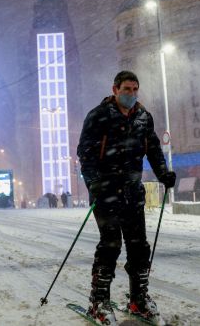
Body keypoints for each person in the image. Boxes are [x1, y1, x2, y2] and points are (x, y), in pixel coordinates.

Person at [77, 71, 176, 324]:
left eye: (135, 89)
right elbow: (85, 154)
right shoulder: (98, 116)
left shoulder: (144, 117)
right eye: (126, 89)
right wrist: (94, 183)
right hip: (106, 192)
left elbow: (153, 149)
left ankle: (138, 299)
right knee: (111, 246)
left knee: (139, 247)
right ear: (115, 89)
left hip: (133, 193)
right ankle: (99, 302)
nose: (131, 94)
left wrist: (163, 173)